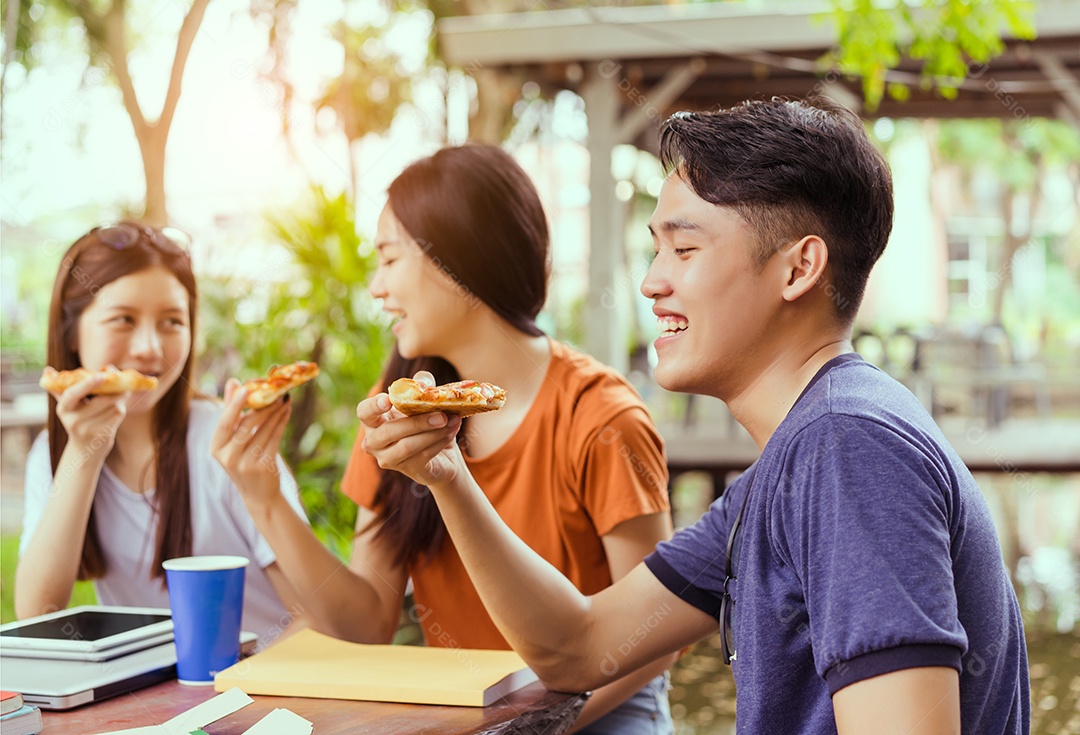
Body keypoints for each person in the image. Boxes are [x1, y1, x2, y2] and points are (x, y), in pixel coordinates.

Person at [357, 99, 1030, 734]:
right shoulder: (787, 464)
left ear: (799, 268)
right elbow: (580, 647)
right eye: (655, 249)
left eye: (684, 250)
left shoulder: (848, 445)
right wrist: (446, 474)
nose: (652, 280)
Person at [211, 144, 676, 734]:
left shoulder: (601, 417)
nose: (376, 288)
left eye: (389, 259)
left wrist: (535, 724)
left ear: (459, 256)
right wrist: (263, 498)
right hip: (464, 715)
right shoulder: (396, 414)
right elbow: (367, 622)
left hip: (598, 711)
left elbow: (656, 636)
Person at [16, 222, 310, 645]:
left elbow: (317, 615)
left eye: (173, 321)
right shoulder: (53, 452)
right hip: (155, 698)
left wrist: (235, 685)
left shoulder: (227, 441)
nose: (151, 348)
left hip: (261, 689)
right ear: (72, 333)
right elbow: (38, 613)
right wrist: (84, 453)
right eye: (123, 319)